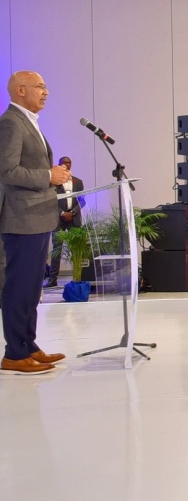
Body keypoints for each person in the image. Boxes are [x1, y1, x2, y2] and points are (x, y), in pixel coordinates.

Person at [0, 71, 71, 374]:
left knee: (31, 289)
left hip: (38, 216)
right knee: (19, 287)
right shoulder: (10, 123)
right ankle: (14, 354)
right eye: (40, 87)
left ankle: (28, 346)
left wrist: (54, 174)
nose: (46, 92)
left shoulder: (28, 122)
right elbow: (7, 171)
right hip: (22, 219)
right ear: (20, 90)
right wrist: (47, 176)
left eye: (45, 86)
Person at [45, 155, 85, 288]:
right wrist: (62, 213)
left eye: (69, 163)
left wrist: (72, 212)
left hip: (74, 219)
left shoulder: (78, 182)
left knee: (76, 250)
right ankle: (52, 279)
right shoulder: (54, 181)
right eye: (64, 163)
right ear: (59, 164)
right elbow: (51, 200)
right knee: (57, 250)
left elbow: (82, 200)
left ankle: (78, 277)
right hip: (58, 220)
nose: (66, 165)